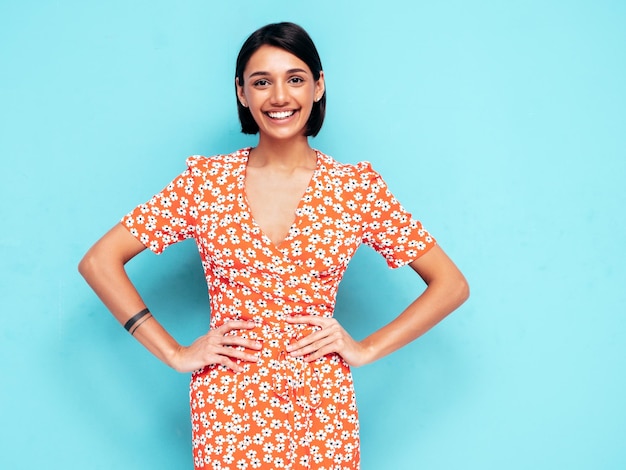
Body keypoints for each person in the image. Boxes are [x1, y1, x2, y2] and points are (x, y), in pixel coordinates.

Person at [79, 21, 469, 470]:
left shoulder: (355, 188)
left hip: (323, 405)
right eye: (261, 82)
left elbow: (451, 285)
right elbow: (99, 261)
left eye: (295, 79)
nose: (279, 97)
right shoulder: (206, 183)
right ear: (242, 93)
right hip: (227, 403)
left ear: (318, 87)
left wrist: (366, 348)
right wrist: (173, 352)